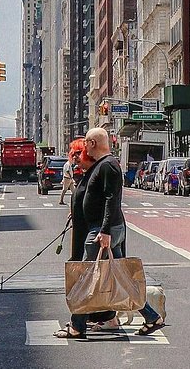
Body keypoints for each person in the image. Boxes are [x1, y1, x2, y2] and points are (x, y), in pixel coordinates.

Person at [54, 127, 164, 340]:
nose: (84, 147)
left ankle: (77, 326)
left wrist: (104, 231)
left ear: (93, 143)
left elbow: (111, 200)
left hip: (103, 231)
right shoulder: (102, 166)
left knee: (86, 276)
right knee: (119, 277)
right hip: (104, 229)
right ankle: (151, 316)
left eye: (86, 143)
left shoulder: (108, 166)